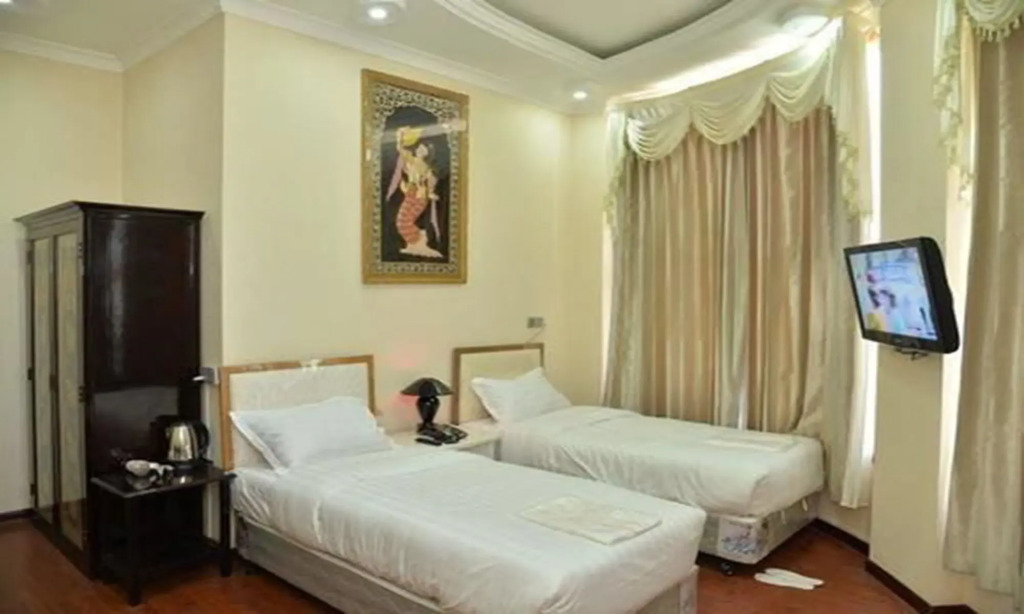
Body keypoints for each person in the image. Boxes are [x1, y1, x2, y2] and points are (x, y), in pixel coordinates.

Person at [386, 126, 443, 259]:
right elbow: (401, 151)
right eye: (419, 147)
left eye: (424, 148)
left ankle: (419, 243)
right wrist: (400, 138)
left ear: (428, 153)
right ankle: (415, 244)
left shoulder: (426, 167)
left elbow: (431, 181)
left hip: (419, 195)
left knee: (404, 221)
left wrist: (430, 192)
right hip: (410, 193)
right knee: (401, 220)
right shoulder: (412, 160)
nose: (420, 149)